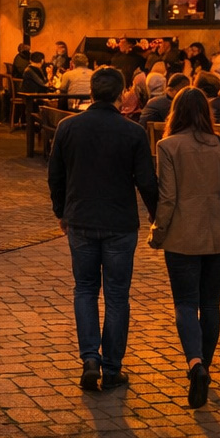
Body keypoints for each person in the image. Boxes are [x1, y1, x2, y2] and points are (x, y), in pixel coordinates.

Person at [49, 68, 156, 393]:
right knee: (117, 295)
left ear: (92, 93)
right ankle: (111, 367)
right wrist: (158, 216)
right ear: (121, 94)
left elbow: (56, 175)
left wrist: (61, 211)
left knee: (84, 289)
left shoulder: (68, 127)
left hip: (81, 218)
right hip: (120, 223)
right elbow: (146, 181)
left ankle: (89, 360)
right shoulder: (133, 132)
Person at [150, 88, 220, 409]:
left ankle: (195, 364)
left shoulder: (168, 146)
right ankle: (205, 365)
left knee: (185, 302)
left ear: (175, 112)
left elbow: (167, 198)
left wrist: (158, 232)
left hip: (182, 236)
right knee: (210, 303)